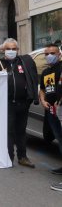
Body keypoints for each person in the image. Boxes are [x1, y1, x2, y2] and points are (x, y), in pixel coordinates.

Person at [0, 38, 39, 168]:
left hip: (23, 103)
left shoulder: (24, 62)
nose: (11, 51)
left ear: (17, 50)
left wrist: (32, 98)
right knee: (9, 131)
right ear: (3, 50)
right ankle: (9, 157)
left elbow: (33, 78)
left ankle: (22, 157)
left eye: (13, 49)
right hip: (7, 104)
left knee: (21, 131)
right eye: (8, 49)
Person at [37, 44, 62, 191]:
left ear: (59, 54)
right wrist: (43, 100)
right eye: (46, 54)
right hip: (51, 111)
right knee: (59, 138)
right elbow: (42, 89)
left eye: (52, 53)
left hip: (60, 109)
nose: (49, 56)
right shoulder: (46, 72)